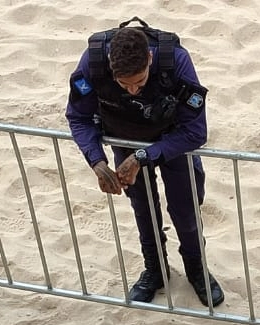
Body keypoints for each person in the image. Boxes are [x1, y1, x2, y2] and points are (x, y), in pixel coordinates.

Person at [66, 18, 224, 307]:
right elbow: (78, 116)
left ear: (150, 59)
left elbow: (195, 131)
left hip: (173, 143)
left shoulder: (175, 60)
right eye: (123, 84)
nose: (132, 91)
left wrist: (144, 156)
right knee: (142, 206)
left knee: (185, 208)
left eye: (139, 81)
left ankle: (197, 269)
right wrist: (97, 161)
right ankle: (155, 270)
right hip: (124, 138)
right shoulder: (94, 62)